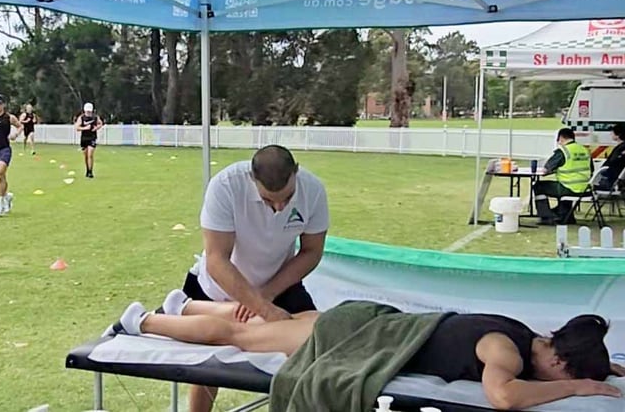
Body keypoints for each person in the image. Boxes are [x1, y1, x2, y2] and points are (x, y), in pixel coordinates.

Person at [114, 294, 625, 411]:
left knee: (277, 325)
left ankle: (185, 305)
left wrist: (607, 368)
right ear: (559, 361)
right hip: (358, 336)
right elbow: (504, 397)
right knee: (242, 339)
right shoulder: (506, 353)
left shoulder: (532, 337)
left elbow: (556, 361)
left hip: (367, 321)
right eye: (564, 373)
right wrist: (577, 387)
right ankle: (143, 322)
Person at [180, 144, 329, 412]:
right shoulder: (225, 186)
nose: (279, 207)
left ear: (296, 172)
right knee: (208, 368)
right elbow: (217, 260)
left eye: (287, 197)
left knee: (312, 349)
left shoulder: (313, 190)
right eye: (269, 200)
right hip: (219, 286)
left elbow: (312, 251)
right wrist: (261, 308)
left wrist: (266, 296)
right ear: (252, 179)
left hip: (280, 283)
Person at [534, 128, 593, 225]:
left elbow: (546, 169)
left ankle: (546, 217)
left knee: (538, 186)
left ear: (561, 138)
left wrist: (551, 170)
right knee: (560, 187)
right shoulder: (584, 150)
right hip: (585, 189)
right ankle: (566, 216)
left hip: (568, 187)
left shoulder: (563, 151)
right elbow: (591, 169)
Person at [74, 102, 103, 178]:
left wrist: (96, 128)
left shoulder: (95, 117)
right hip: (84, 138)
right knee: (86, 156)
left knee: (90, 154)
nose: (88, 113)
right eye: (87, 111)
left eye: (89, 111)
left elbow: (100, 123)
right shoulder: (81, 118)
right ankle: (87, 170)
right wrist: (85, 128)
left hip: (92, 137)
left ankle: (90, 172)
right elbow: (77, 128)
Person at [595, 123, 625, 191]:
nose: (611, 134)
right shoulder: (621, 148)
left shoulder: (620, 149)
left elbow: (612, 163)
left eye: (612, 133)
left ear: (618, 135)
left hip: (611, 180)